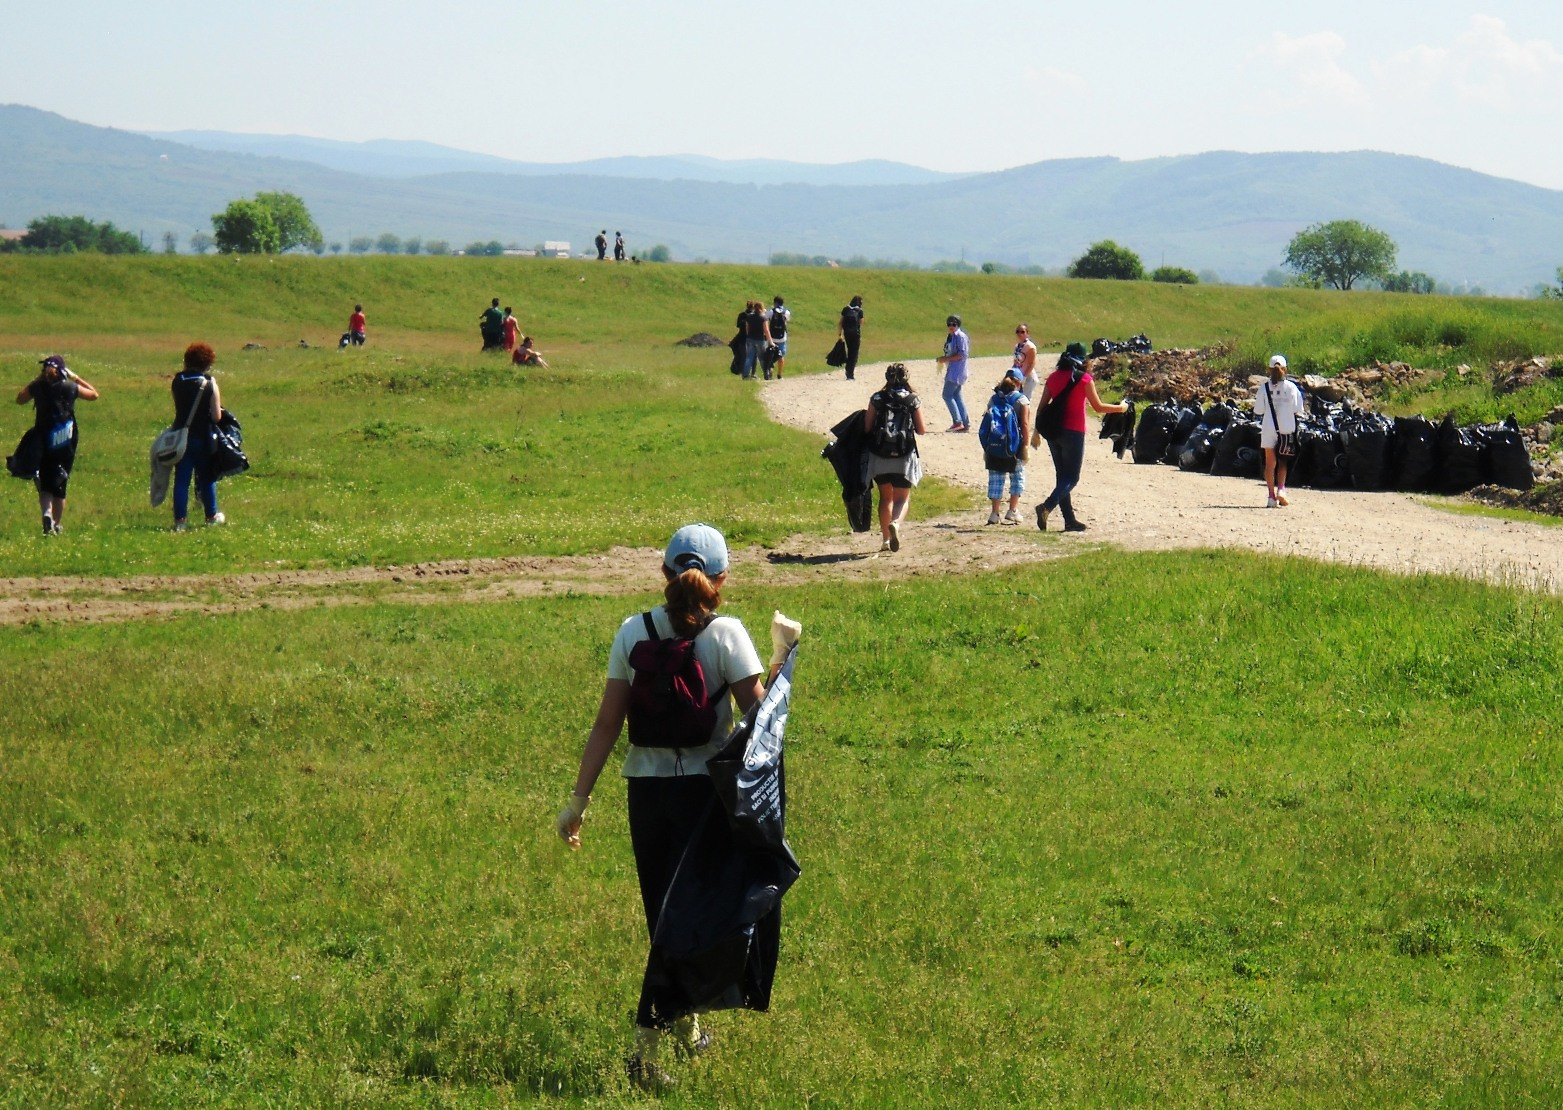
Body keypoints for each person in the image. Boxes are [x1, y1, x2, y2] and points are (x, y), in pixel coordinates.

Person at [555, 524, 793, 1091]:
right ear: (721, 580)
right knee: (693, 920)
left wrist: (577, 801)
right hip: (705, 799)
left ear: (663, 575)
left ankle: (684, 1031)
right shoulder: (727, 635)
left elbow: (608, 724)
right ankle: (644, 1049)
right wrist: (784, 656)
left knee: (667, 914)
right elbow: (762, 728)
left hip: (647, 795)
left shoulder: (631, 631)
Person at [1033, 341, 1127, 534]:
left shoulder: (1052, 378)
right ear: (1083, 360)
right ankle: (1047, 506)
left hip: (1052, 432)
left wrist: (1036, 432)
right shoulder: (1084, 379)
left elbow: (1041, 407)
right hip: (1074, 432)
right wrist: (1121, 408)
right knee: (1072, 478)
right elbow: (1098, 407)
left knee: (1062, 476)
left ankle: (1069, 520)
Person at [14, 355, 99, 536]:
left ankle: (46, 514)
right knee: (60, 484)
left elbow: (20, 399)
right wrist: (75, 377)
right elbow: (94, 394)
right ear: (62, 372)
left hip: (43, 439)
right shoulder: (70, 387)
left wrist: (38, 380)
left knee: (45, 483)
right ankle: (56, 524)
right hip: (65, 440)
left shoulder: (38, 387)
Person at [863, 362, 927, 552]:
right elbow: (921, 429)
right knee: (902, 499)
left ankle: (885, 541)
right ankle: (896, 524)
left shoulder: (877, 398)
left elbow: (867, 427)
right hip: (903, 455)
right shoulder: (912, 399)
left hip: (879, 454)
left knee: (885, 498)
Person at [169, 342, 227, 532]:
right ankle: (211, 515)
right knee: (206, 478)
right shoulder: (210, 383)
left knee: (181, 480)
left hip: (181, 436)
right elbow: (217, 415)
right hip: (203, 437)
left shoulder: (177, 381)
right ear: (207, 364)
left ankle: (180, 521)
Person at [1254, 353, 1305, 508]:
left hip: (1269, 428)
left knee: (1270, 464)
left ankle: (1270, 497)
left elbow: (1259, 411)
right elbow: (1298, 409)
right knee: (1283, 461)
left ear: (1269, 370)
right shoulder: (1291, 387)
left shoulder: (1263, 388)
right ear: (1286, 369)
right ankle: (1281, 490)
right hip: (1286, 428)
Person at [982, 367, 1031, 525]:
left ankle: (994, 513)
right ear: (1019, 383)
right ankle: (1013, 510)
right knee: (1017, 476)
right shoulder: (1021, 400)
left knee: (996, 478)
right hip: (1014, 446)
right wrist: (1026, 445)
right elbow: (1024, 423)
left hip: (995, 445)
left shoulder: (994, 399)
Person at [934, 314, 971, 432]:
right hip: (953, 369)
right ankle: (965, 423)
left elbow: (962, 354)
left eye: (953, 324)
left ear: (958, 325)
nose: (951, 326)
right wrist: (943, 358)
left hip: (957, 370)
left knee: (947, 395)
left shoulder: (960, 336)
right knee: (957, 396)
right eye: (949, 324)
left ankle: (957, 422)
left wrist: (945, 359)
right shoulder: (951, 336)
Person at [740, 300, 770, 381]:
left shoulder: (749, 317)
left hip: (750, 339)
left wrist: (748, 336)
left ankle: (745, 375)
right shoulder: (763, 318)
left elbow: (747, 328)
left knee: (749, 357)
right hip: (760, 339)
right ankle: (766, 374)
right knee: (762, 358)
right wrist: (770, 341)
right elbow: (766, 330)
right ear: (762, 308)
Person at [837, 295, 864, 381]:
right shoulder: (859, 311)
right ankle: (850, 374)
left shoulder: (846, 309)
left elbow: (840, 322)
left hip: (847, 334)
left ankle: (848, 370)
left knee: (849, 351)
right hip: (856, 335)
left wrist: (839, 334)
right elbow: (861, 323)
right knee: (854, 353)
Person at [765, 296, 791, 379]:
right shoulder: (786, 312)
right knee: (781, 356)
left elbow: (765, 318)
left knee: (770, 354)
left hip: (772, 338)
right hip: (782, 337)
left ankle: (771, 370)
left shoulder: (771, 311)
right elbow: (787, 321)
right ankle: (779, 374)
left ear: (775, 303)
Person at [1012, 323, 1039, 400]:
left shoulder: (1030, 346)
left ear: (1027, 333)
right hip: (1018, 376)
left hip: (1029, 377)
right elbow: (1016, 362)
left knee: (1025, 400)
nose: (1020, 334)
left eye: (1022, 332)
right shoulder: (1017, 346)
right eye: (1018, 331)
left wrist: (1024, 377)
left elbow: (1032, 363)